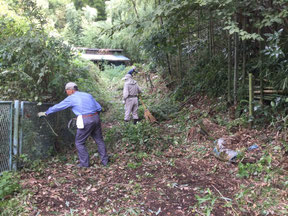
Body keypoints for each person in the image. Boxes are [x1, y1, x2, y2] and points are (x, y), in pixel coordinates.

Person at [37, 82, 108, 168]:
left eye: (66, 90)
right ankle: (105, 162)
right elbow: (99, 107)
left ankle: (84, 164)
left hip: (85, 120)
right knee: (99, 140)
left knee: (79, 142)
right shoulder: (88, 95)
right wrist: (92, 117)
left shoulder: (71, 98)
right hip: (96, 117)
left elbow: (58, 106)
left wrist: (46, 112)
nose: (66, 92)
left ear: (70, 90)